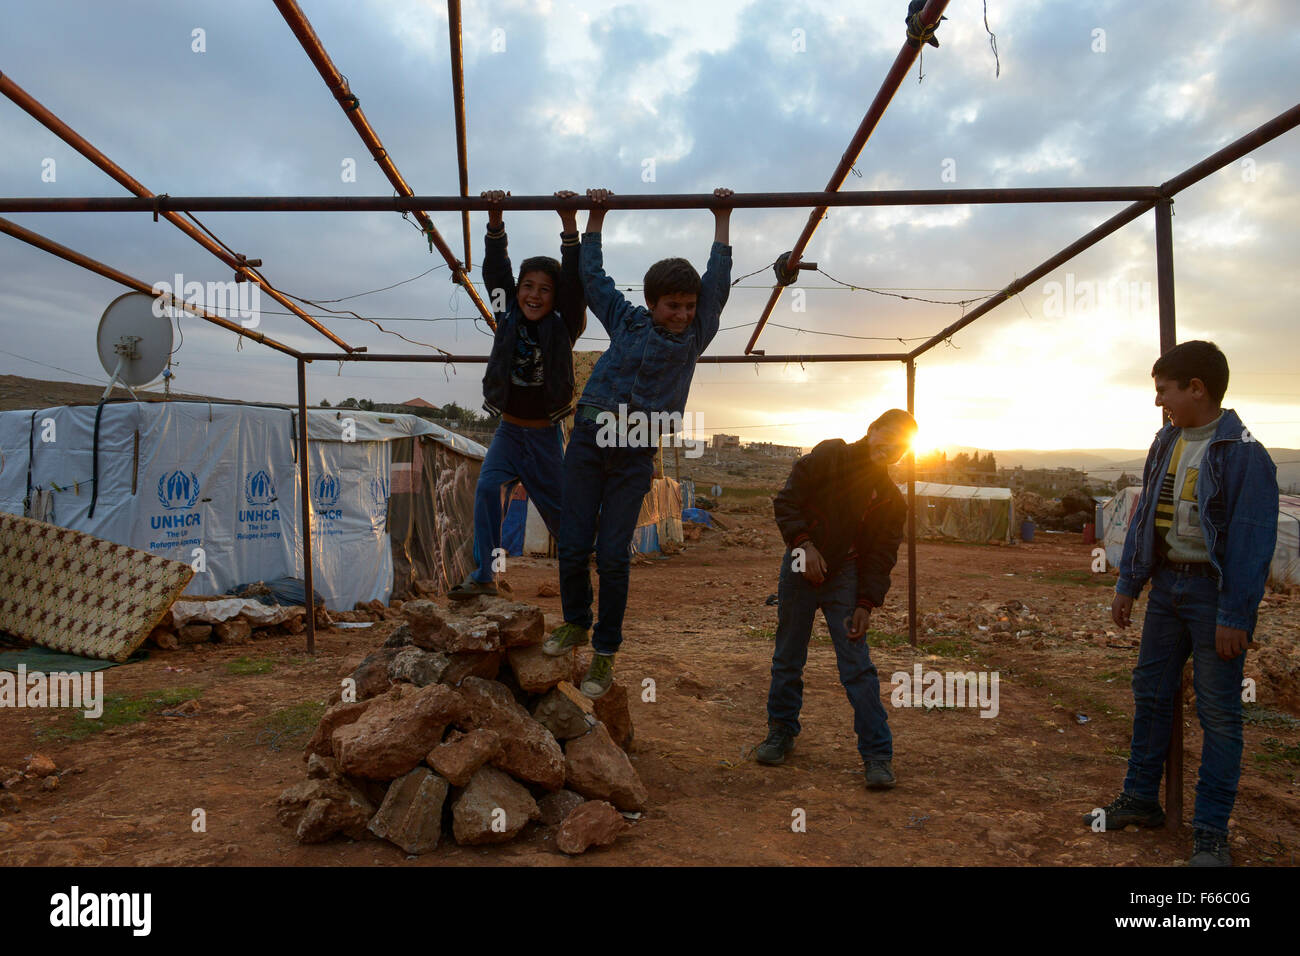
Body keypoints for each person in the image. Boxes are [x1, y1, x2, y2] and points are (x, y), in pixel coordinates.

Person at [1085, 340, 1278, 866]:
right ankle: (1141, 799)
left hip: (1213, 597)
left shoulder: (1244, 453)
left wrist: (1235, 615)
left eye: (1163, 391)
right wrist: (1129, 582)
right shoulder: (1166, 440)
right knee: (1150, 693)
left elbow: (1252, 539)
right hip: (1168, 588)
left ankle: (1211, 832)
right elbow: (1149, 515)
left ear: (1197, 388)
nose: (1157, 402)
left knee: (1218, 713)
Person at [541, 186, 734, 698]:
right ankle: (576, 623)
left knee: (613, 554)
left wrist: (722, 218)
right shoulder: (627, 320)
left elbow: (718, 284)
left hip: (635, 448)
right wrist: (594, 220)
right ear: (652, 304)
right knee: (574, 542)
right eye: (673, 306)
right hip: (589, 436)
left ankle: (605, 652)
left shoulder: (697, 337)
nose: (683, 314)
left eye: (689, 306)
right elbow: (592, 278)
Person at [754, 410, 915, 790]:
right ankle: (781, 732)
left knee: (857, 665)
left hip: (845, 576)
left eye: (901, 448)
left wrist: (865, 604)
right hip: (799, 563)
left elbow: (880, 557)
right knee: (788, 656)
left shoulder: (890, 500)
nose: (891, 450)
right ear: (872, 431)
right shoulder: (831, 456)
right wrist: (804, 545)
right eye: (887, 438)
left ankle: (878, 755)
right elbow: (786, 501)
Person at [448, 190, 586, 600]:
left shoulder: (565, 326)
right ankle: (486, 576)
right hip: (509, 433)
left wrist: (569, 226)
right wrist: (495, 223)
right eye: (528, 286)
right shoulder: (505, 315)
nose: (535, 295)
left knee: (562, 516)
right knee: (489, 490)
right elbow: (495, 274)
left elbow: (576, 287)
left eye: (545, 289)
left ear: (555, 297)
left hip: (545, 437)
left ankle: (577, 578)